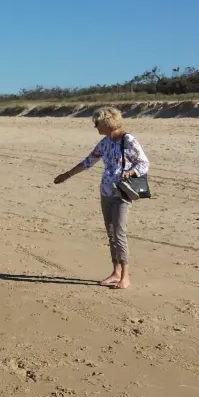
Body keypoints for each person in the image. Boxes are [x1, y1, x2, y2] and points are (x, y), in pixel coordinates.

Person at [53, 107, 149, 289]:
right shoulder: (105, 142)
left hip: (122, 192)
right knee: (111, 234)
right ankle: (116, 272)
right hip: (106, 192)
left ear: (107, 122)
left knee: (119, 234)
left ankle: (125, 277)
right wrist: (67, 175)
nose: (95, 126)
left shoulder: (128, 140)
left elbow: (144, 163)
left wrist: (130, 172)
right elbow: (88, 161)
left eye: (97, 123)